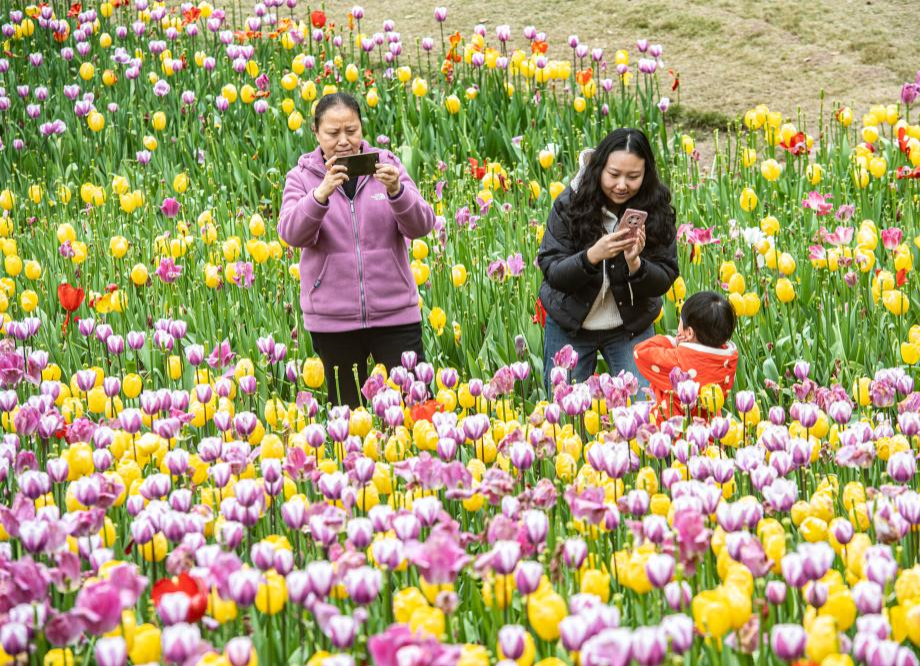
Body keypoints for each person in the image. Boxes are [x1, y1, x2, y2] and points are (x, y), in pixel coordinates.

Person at [278, 92, 435, 407]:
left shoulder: (387, 166)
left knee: (415, 407)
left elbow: (422, 225)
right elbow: (291, 233)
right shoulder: (302, 177)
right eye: (332, 133)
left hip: (395, 314)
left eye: (351, 130)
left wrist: (397, 191)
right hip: (333, 319)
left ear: (362, 128)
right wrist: (320, 195)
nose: (343, 141)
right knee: (348, 417)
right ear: (316, 132)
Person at [538, 128, 679, 395]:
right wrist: (592, 256)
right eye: (613, 175)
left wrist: (636, 265)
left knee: (643, 406)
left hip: (630, 325)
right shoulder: (570, 204)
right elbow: (552, 271)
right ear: (599, 168)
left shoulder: (655, 208)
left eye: (633, 177)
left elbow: (666, 276)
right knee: (565, 409)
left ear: (646, 174)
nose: (622, 185)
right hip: (570, 323)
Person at [634, 291, 739, 419]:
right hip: (709, 427)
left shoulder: (679, 361)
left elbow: (640, 352)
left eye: (680, 321)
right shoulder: (728, 361)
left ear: (689, 332)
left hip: (673, 425)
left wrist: (673, 342)